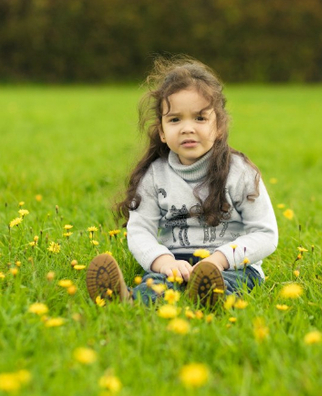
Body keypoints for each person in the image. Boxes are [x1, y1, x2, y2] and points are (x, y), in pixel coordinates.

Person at [85, 56, 278, 306]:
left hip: (230, 265)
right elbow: (139, 230)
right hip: (175, 263)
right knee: (156, 284)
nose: (187, 128)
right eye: (175, 119)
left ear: (219, 126)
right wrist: (163, 261)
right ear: (163, 132)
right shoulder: (155, 175)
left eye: (199, 118)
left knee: (230, 281)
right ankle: (125, 301)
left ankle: (213, 298)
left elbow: (265, 234)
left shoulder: (240, 172)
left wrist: (219, 260)